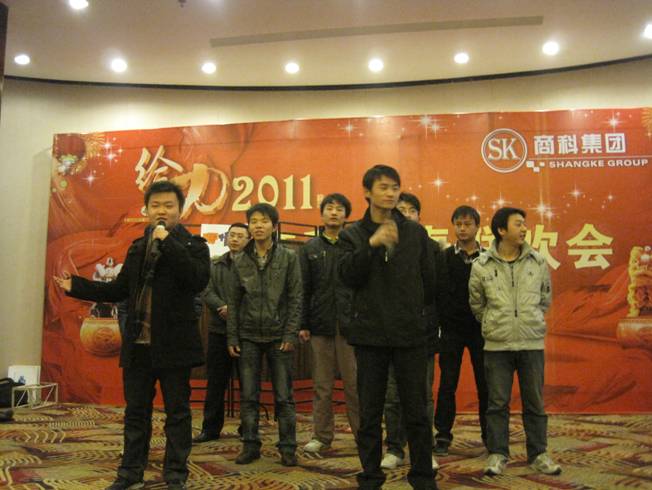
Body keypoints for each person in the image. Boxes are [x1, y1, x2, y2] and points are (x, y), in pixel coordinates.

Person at [53, 180, 210, 490]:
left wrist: (168, 243)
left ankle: (175, 474)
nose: (161, 211)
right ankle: (129, 473)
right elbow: (118, 289)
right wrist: (78, 286)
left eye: (168, 206)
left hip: (174, 346)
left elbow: (196, 280)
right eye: (156, 205)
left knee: (177, 413)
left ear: (180, 210)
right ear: (147, 210)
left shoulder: (195, 246)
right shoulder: (138, 247)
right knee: (136, 413)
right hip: (139, 345)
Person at [339, 165, 437, 490]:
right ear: (367, 192)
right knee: (370, 413)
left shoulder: (415, 233)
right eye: (383, 187)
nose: (391, 193)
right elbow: (347, 276)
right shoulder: (352, 234)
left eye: (395, 187)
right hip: (370, 335)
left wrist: (419, 318)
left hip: (410, 335)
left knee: (417, 412)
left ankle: (422, 477)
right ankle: (370, 477)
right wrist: (372, 244)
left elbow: (429, 282)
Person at [469, 207, 561, 477]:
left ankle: (539, 453)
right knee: (497, 403)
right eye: (518, 224)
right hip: (497, 345)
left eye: (524, 224)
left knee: (535, 402)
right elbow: (477, 304)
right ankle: (498, 453)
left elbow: (544, 299)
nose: (524, 229)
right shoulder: (481, 265)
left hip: (531, 343)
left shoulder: (537, 261)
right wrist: (494, 323)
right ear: (501, 230)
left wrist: (529, 320)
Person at [227, 203, 302, 467]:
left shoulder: (289, 257)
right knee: (249, 396)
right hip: (248, 336)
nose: (258, 225)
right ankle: (250, 445)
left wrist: (290, 334)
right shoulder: (239, 259)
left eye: (264, 221)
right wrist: (232, 337)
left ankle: (288, 447)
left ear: (274, 226)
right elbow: (234, 302)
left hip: (279, 336)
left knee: (284, 397)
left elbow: (296, 298)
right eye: (254, 221)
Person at [381, 192, 442, 471]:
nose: (406, 215)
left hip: (422, 334)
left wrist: (431, 326)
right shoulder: (383, 246)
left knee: (423, 396)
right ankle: (395, 448)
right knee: (392, 397)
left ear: (419, 216)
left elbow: (436, 294)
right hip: (390, 335)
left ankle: (424, 450)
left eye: (411, 210)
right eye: (401, 210)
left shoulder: (433, 248)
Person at [299, 193, 360, 454]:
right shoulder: (309, 248)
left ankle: (363, 435)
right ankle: (322, 436)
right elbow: (303, 289)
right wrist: (303, 323)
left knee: (355, 385)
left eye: (339, 209)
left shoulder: (354, 246)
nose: (334, 213)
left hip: (350, 326)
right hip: (320, 324)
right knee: (322, 385)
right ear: (322, 214)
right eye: (329, 208)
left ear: (346, 215)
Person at [434, 205, 488, 456]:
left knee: (486, 386)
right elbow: (438, 294)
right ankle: (443, 436)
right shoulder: (443, 257)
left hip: (481, 330)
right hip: (451, 331)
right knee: (447, 385)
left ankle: (490, 436)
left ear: (477, 227)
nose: (463, 228)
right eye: (459, 224)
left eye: (468, 224)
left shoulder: (488, 258)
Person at [193, 223, 250, 443]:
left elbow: (256, 295)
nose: (234, 239)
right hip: (219, 329)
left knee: (248, 384)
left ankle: (248, 428)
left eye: (240, 236)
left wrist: (235, 312)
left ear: (249, 240)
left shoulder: (254, 266)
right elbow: (206, 289)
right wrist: (221, 307)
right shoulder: (214, 264)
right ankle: (210, 429)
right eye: (231, 235)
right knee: (216, 383)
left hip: (246, 332)